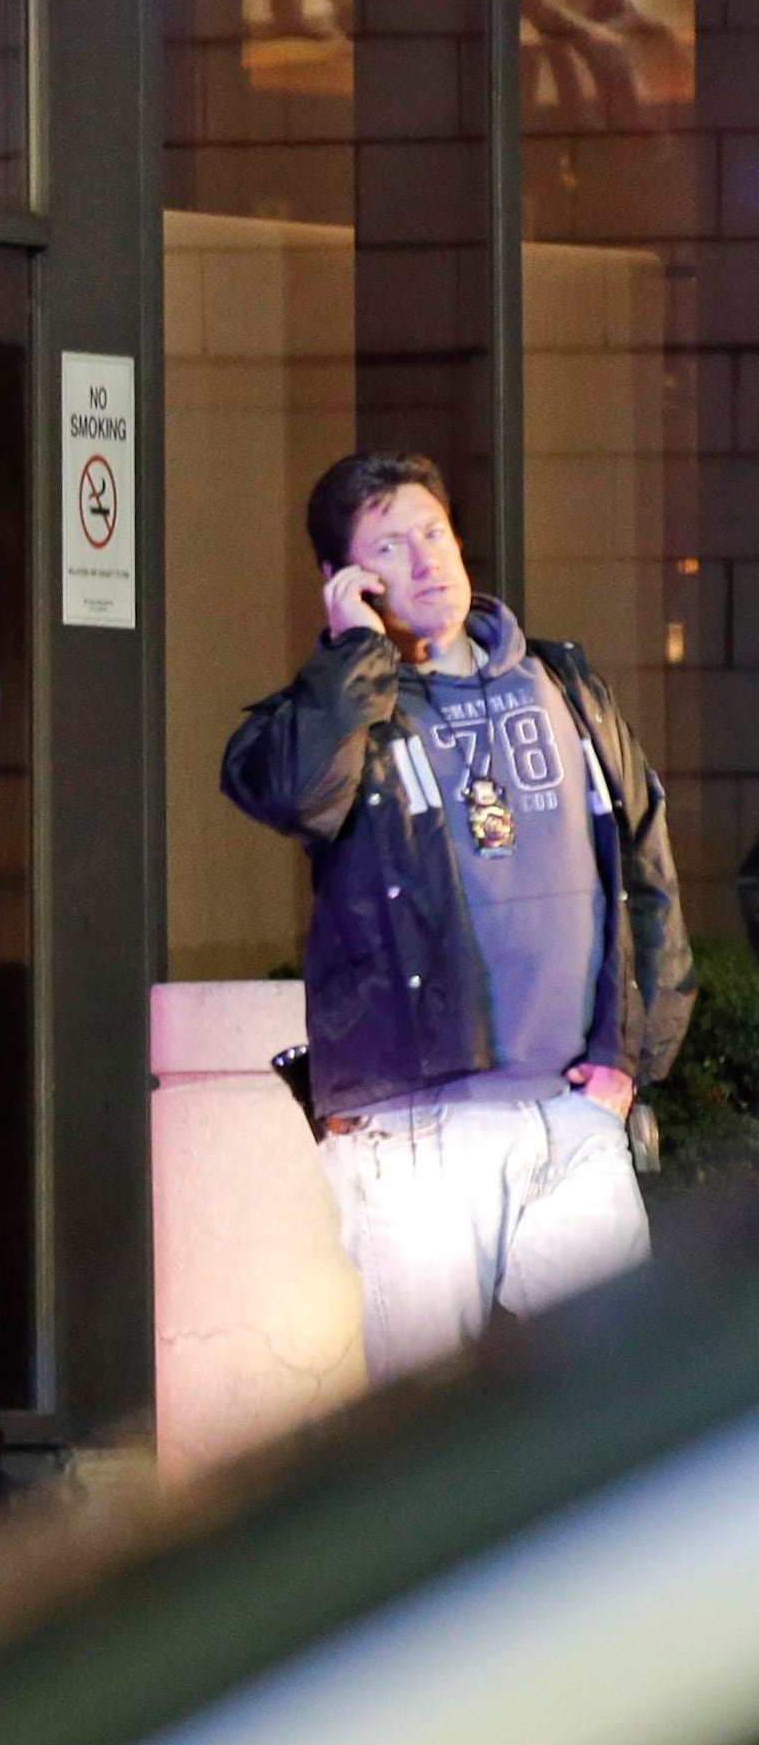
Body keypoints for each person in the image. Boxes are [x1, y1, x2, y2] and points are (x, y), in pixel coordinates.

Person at [221, 451, 690, 1381]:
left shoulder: (564, 684)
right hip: (416, 1127)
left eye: (432, 532)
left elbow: (645, 863)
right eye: (389, 547)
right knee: (429, 1417)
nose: (426, 558)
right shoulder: (339, 713)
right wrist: (352, 653)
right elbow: (289, 791)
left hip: (574, 1116)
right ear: (344, 580)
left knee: (613, 1395)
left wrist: (632, 1058)